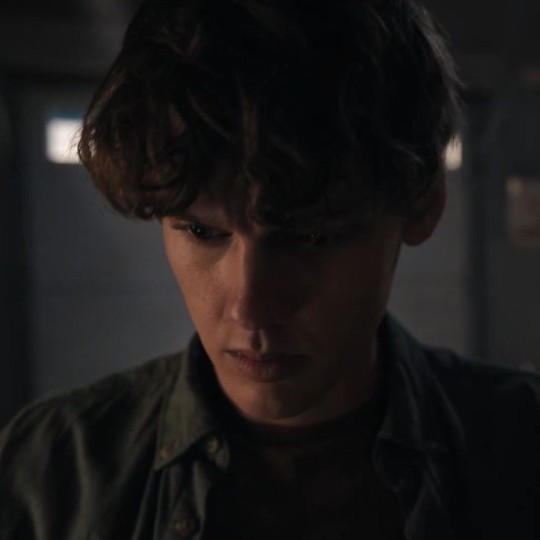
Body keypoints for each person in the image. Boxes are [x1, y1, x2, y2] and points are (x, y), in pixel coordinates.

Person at [1, 0, 539, 538]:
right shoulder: (48, 474)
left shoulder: (522, 448)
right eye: (202, 232)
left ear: (422, 206)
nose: (251, 306)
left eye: (310, 237)